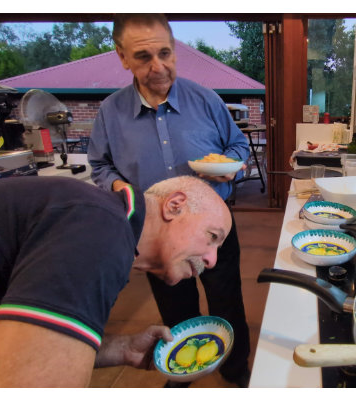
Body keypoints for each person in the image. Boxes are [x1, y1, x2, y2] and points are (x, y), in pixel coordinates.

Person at [87, 13, 253, 386]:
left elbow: (238, 145)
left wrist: (230, 166)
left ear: (174, 50)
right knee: (176, 308)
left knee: (227, 300)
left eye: (165, 53)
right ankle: (182, 371)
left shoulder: (205, 99)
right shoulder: (111, 112)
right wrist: (122, 189)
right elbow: (100, 166)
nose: (159, 66)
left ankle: (236, 370)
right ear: (122, 56)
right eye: (143, 57)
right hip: (157, 238)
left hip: (213, 230)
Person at [0, 175, 231, 387]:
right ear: (175, 205)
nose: (212, 260)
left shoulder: (101, 221)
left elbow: (20, 350)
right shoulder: (100, 228)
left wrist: (122, 348)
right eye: (212, 236)